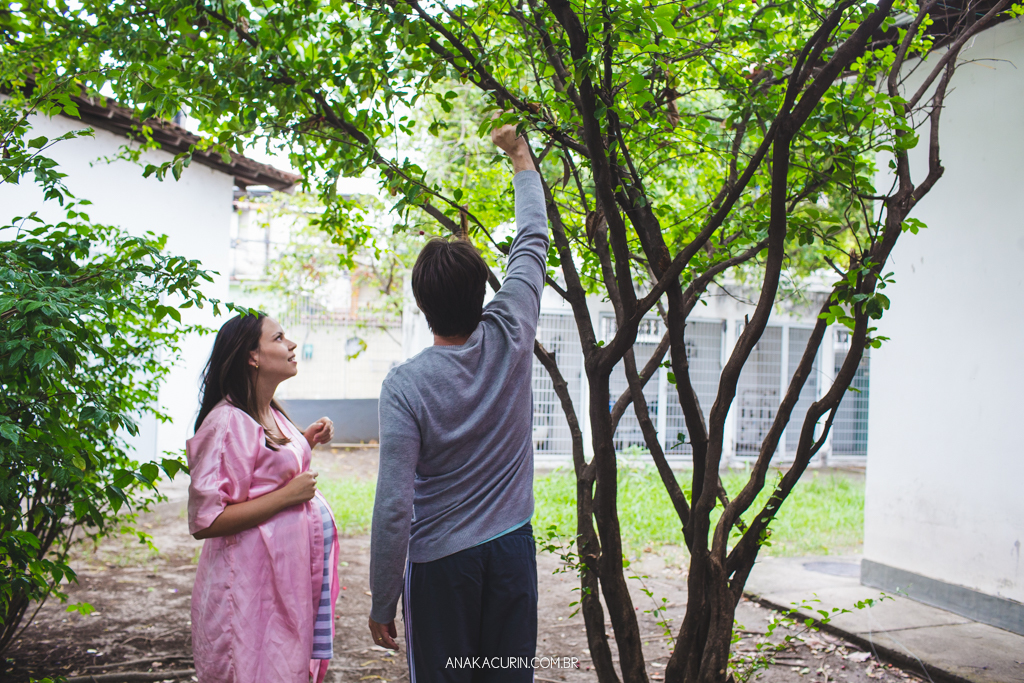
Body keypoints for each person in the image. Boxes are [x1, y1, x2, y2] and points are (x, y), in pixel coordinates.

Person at [367, 121, 548, 683]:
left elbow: (396, 505)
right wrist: (520, 153)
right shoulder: (512, 329)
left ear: (422, 304)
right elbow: (533, 237)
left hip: (441, 567)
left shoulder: (406, 386)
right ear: (482, 290)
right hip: (512, 552)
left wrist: (383, 597)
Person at [186, 312, 340, 683]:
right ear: (252, 356)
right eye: (279, 338)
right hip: (248, 593)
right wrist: (288, 497)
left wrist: (305, 439)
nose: (291, 345)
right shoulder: (225, 422)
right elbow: (207, 520)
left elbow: (263, 473)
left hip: (281, 586)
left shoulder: (270, 413)